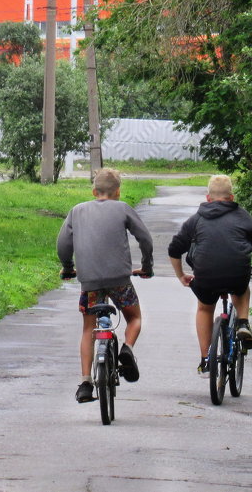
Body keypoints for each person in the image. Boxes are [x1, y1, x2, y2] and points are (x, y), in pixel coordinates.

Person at [57, 167, 153, 403]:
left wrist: (68, 267)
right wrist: (147, 266)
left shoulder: (77, 211)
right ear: (118, 191)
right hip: (120, 280)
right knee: (134, 318)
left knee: (89, 329)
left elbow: (63, 244)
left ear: (94, 191)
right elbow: (145, 239)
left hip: (89, 282)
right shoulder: (122, 209)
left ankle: (85, 382)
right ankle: (127, 349)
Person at [167, 174, 252, 376]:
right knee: (241, 289)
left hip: (206, 276)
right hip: (236, 274)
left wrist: (181, 275)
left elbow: (174, 249)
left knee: (205, 308)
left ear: (208, 198)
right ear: (231, 197)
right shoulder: (242, 216)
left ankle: (205, 358)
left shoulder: (196, 219)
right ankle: (243, 323)